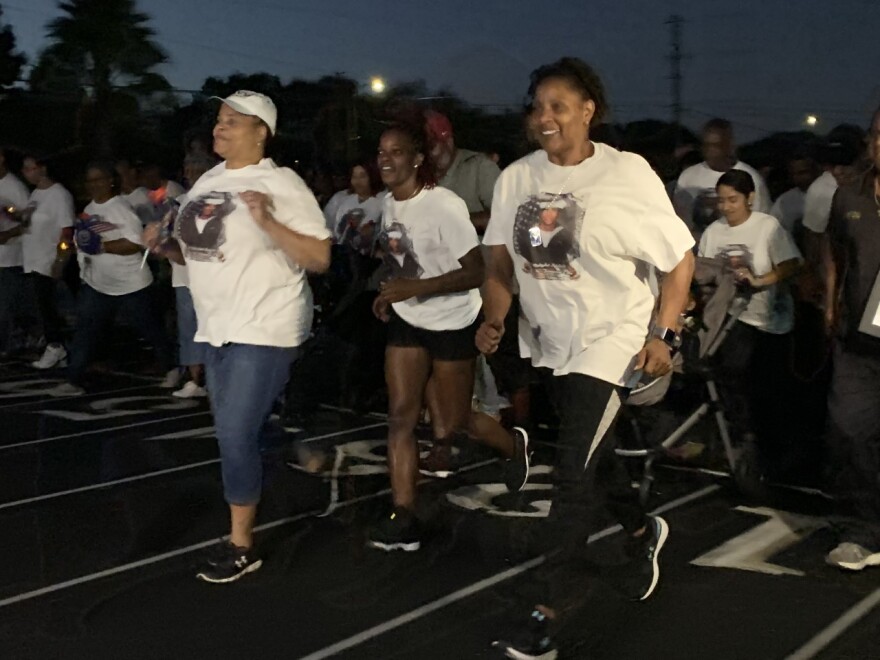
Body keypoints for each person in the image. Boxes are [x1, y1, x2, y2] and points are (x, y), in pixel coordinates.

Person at [480, 57, 694, 659]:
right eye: (537, 106)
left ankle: (548, 607)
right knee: (591, 456)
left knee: (571, 476)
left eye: (558, 106)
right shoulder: (517, 179)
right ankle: (640, 527)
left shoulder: (627, 174)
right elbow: (499, 259)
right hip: (552, 342)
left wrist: (664, 334)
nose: (544, 118)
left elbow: (680, 259)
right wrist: (495, 315)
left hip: (613, 340)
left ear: (587, 110)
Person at [144, 90, 331, 583]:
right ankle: (288, 438)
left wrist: (267, 219)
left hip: (267, 322)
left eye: (232, 121)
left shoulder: (280, 182)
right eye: (219, 120)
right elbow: (198, 254)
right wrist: (165, 248)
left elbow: (320, 257)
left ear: (261, 131)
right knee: (237, 428)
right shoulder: (209, 179)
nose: (219, 128)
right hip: (217, 326)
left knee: (231, 434)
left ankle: (241, 545)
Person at [366, 118, 528, 553]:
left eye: (397, 151)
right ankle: (403, 514)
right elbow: (403, 260)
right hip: (408, 319)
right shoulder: (388, 204)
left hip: (454, 320)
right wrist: (390, 293)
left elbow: (477, 270)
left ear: (418, 159)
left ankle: (514, 446)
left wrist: (414, 289)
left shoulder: (444, 206)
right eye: (381, 151)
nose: (386, 159)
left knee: (455, 423)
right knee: (401, 414)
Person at [699, 170, 802, 475]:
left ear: (750, 199)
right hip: (728, 319)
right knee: (731, 381)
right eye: (721, 201)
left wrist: (760, 280)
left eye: (733, 200)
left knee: (763, 391)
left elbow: (791, 264)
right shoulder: (713, 232)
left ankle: (772, 454)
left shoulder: (766, 226)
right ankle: (738, 446)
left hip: (766, 321)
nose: (726, 207)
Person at [47, 163, 176, 396]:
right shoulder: (88, 209)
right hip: (98, 285)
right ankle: (73, 379)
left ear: (110, 181)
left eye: (98, 179)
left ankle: (173, 368)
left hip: (131, 284)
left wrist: (101, 246)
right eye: (90, 181)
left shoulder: (120, 208)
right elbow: (82, 244)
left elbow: (135, 244)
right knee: (85, 330)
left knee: (151, 329)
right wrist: (69, 259)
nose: (94, 185)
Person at [822, 107, 880, 571]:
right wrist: (828, 302)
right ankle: (861, 530)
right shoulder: (848, 197)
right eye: (878, 136)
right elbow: (834, 252)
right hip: (857, 339)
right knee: (849, 429)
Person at [18, 154, 76, 368]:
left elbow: (67, 229)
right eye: (25, 169)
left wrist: (60, 259)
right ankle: (57, 347)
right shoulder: (35, 194)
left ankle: (56, 346)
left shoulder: (59, 194)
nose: (26, 173)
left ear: (42, 168)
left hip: (47, 259)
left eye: (29, 168)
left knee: (49, 307)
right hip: (32, 257)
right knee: (42, 307)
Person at [674, 118, 771, 235]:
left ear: (729, 146)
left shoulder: (750, 177)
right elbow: (680, 219)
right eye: (706, 145)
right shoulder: (688, 176)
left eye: (715, 146)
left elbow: (761, 222)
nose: (709, 151)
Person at [0, 148, 32, 355]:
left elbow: (29, 222)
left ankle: (7, 346)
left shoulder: (15, 187)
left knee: (5, 309)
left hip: (11, 258)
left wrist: (7, 235)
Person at [770, 152, 819, 236]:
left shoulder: (832, 193)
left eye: (802, 173)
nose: (797, 177)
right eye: (793, 174)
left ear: (815, 171)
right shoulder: (784, 201)